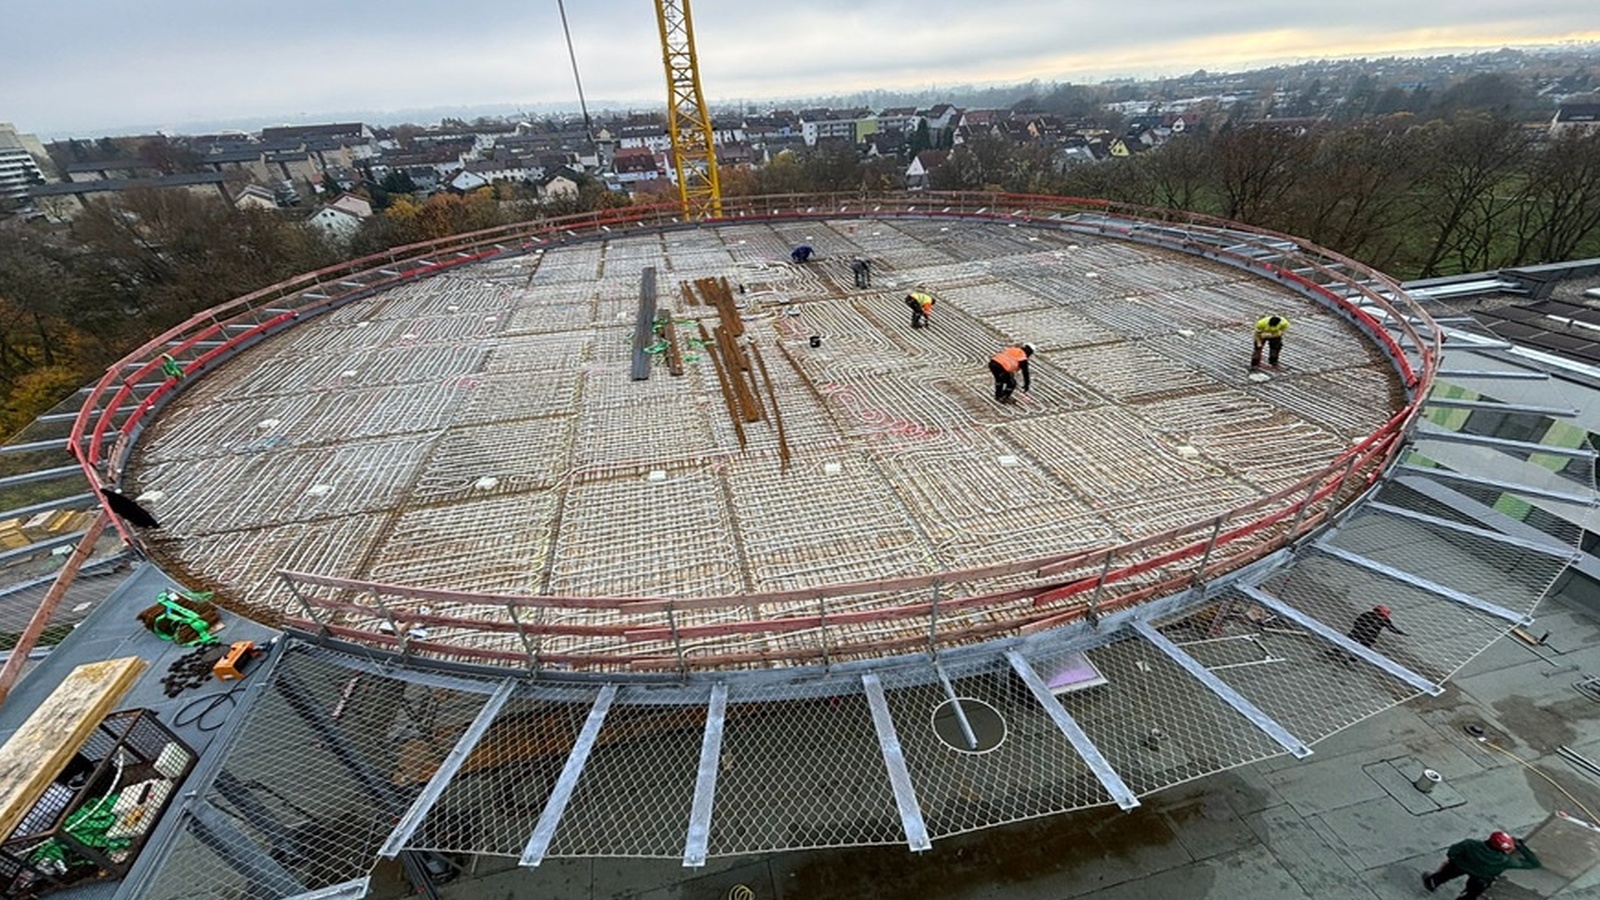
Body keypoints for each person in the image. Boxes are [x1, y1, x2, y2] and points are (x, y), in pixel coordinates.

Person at [1424, 830, 1540, 898]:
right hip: (1482, 878)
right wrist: (1521, 847)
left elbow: (1452, 851)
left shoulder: (1470, 844)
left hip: (1460, 865)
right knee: (1471, 894)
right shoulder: (1507, 861)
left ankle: (1433, 883)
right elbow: (1534, 863)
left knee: (1444, 875)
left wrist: (1454, 860)